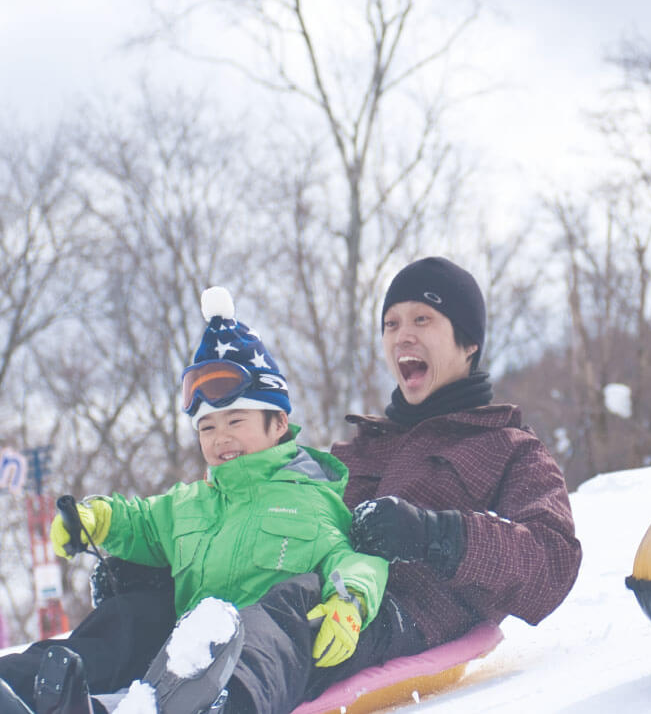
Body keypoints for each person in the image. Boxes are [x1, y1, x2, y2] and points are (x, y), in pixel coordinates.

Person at [203, 256, 583, 713]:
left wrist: (436, 534)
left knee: (291, 606)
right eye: (391, 323)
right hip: (298, 593)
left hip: (400, 614)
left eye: (422, 319)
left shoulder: (507, 447)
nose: (402, 335)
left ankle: (221, 704)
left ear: (469, 343)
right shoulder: (357, 449)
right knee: (187, 598)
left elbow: (553, 562)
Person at [0, 287, 389, 714]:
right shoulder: (190, 503)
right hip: (180, 661)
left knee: (266, 622)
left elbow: (351, 558)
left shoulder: (310, 500)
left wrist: (350, 601)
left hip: (260, 661)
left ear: (279, 423)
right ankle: (25, 685)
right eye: (207, 428)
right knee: (131, 616)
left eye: (235, 421)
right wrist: (98, 518)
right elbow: (142, 521)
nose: (221, 438)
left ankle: (215, 706)